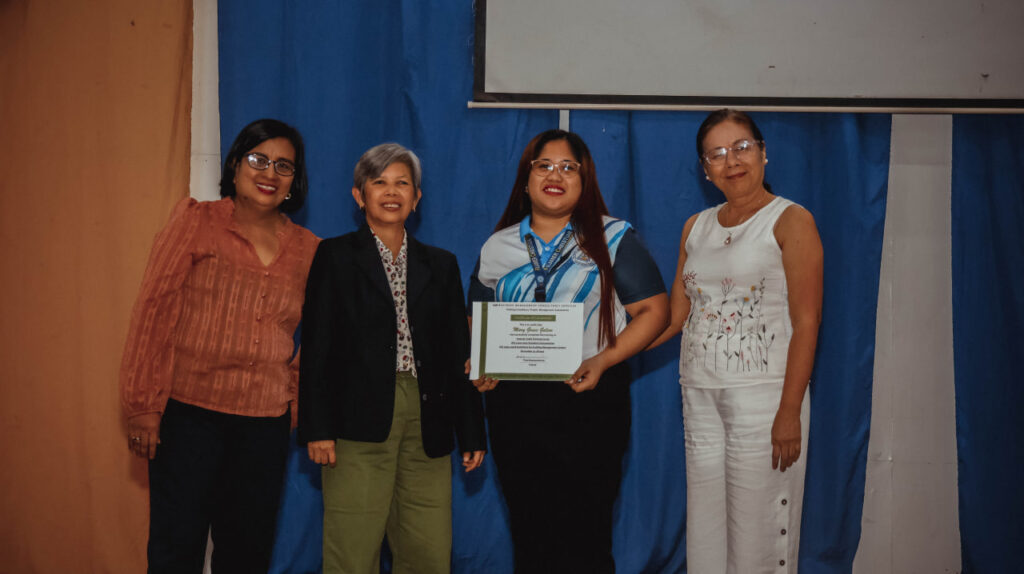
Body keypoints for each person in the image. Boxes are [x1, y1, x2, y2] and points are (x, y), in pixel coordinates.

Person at [119, 118, 319, 573]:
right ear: (235, 165)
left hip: (264, 427)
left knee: (247, 554)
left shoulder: (309, 249)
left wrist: (293, 398)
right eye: (258, 159)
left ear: (295, 180)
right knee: (175, 548)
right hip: (189, 417)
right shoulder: (196, 221)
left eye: (284, 166)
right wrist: (142, 404)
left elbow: (320, 336)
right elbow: (154, 311)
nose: (270, 173)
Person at [468, 129, 669, 573]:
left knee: (585, 535)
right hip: (515, 406)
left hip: (590, 398)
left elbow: (655, 311)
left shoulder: (613, 237)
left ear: (584, 181)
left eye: (568, 167)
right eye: (543, 166)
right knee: (530, 532)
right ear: (526, 181)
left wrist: (603, 360)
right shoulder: (498, 245)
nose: (554, 175)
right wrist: (481, 362)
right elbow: (476, 318)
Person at [298, 143, 487, 574]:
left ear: (416, 198)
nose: (391, 191)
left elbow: (458, 352)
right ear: (358, 195)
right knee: (352, 547)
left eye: (402, 183)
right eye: (379, 182)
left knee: (428, 549)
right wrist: (317, 428)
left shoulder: (441, 264)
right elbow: (318, 346)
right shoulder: (334, 256)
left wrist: (472, 430)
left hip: (430, 417)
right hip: (355, 420)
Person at [649, 109, 823, 572]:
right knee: (707, 534)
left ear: (764, 153)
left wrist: (789, 411)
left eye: (742, 147)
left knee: (756, 536)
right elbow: (674, 317)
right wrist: (606, 351)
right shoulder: (696, 226)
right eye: (717, 153)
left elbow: (807, 322)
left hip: (765, 399)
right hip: (699, 396)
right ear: (705, 170)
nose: (732, 161)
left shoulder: (791, 220)